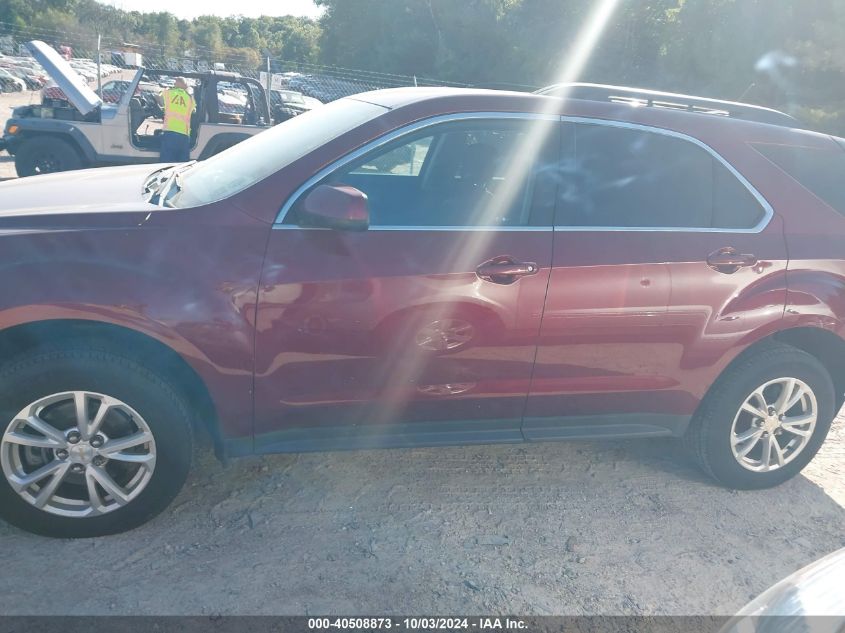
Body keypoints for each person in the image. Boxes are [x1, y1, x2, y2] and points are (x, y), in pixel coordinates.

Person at [160, 77, 195, 163]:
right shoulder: (190, 99)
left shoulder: (168, 93)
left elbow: (158, 97)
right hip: (184, 135)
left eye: (175, 82)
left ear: (176, 84)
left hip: (170, 132)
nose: (174, 84)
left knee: (166, 161)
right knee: (181, 163)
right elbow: (193, 110)